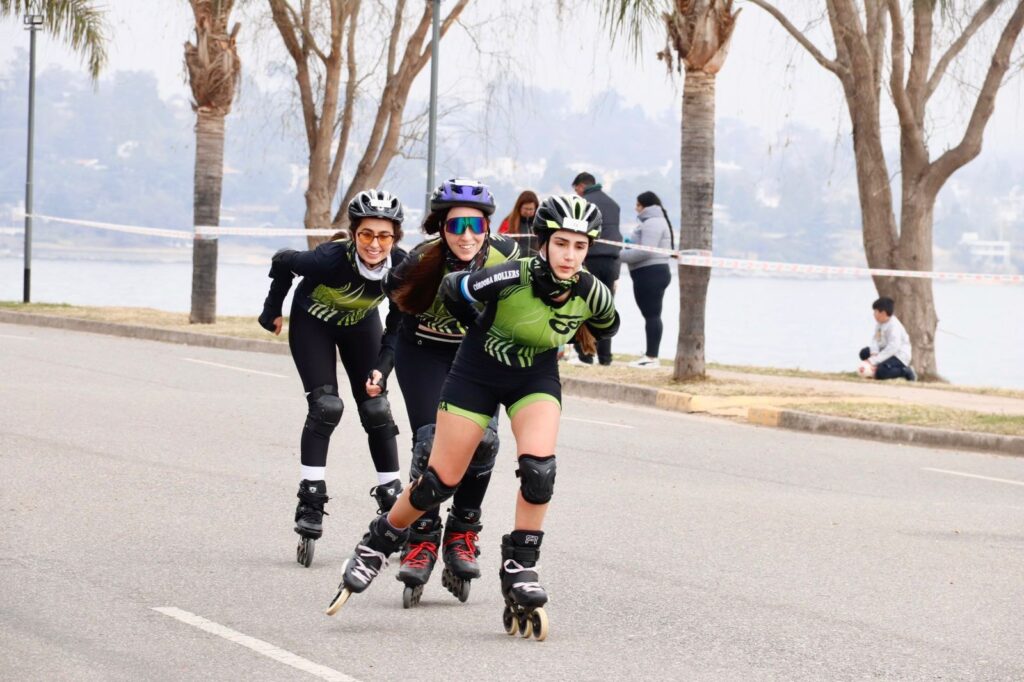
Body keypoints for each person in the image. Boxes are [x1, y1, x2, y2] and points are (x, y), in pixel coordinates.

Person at [327, 194, 620, 642]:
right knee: (437, 482)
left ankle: (520, 565)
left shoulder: (593, 291)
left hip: (534, 378)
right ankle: (378, 542)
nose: (569, 255)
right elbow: (454, 287)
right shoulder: (512, 274)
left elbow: (606, 325)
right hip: (476, 375)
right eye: (561, 243)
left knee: (540, 472)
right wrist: (479, 324)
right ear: (543, 242)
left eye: (580, 246)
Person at [382, 178, 519, 607]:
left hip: (477, 357)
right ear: (441, 227)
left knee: (483, 443)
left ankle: (462, 531)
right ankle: (422, 536)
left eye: (475, 225)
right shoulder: (418, 261)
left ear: (488, 226)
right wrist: (380, 363)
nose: (466, 235)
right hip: (422, 352)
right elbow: (392, 310)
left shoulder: (507, 257)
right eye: (456, 225)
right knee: (430, 445)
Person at [258, 189, 408, 568]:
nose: (375, 244)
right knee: (326, 406)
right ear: (354, 234)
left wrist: (383, 368)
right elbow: (283, 261)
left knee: (376, 407)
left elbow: (398, 324)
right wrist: (272, 308)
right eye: (366, 234)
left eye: (384, 236)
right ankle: (310, 498)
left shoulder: (402, 268)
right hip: (314, 323)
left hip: (361, 325)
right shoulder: (329, 258)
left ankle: (393, 498)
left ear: (395, 237)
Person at [571, 171, 622, 365]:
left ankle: (585, 354)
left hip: (590, 259)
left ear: (581, 186)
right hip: (612, 260)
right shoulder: (614, 204)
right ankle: (605, 357)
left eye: (576, 190)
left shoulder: (583, 203)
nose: (577, 193)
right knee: (606, 308)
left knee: (582, 305)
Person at [620, 191, 675, 368]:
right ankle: (650, 354)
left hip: (651, 273)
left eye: (637, 205)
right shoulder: (653, 222)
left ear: (645, 206)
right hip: (649, 273)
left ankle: (651, 357)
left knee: (652, 315)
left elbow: (646, 251)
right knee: (651, 315)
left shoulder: (653, 223)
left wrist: (619, 255)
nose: (636, 209)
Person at [859, 296, 917, 381]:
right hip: (885, 351)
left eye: (875, 312)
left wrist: (874, 361)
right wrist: (874, 353)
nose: (873, 314)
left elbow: (893, 348)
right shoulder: (880, 323)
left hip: (898, 355)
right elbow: (875, 339)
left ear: (883, 313)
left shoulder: (894, 326)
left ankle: (906, 371)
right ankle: (874, 370)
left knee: (881, 372)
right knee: (864, 352)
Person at [497, 190, 539, 256]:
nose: (528, 212)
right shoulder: (508, 222)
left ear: (536, 209)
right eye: (525, 209)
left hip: (535, 260)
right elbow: (500, 242)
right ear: (519, 207)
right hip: (515, 260)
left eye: (531, 209)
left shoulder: (540, 224)